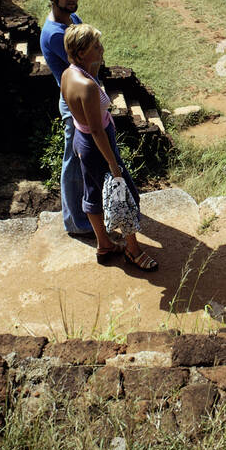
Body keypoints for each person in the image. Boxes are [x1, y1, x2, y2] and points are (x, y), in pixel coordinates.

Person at [61, 23, 159, 271]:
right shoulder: (88, 86)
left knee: (93, 193)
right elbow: (96, 130)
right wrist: (114, 165)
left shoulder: (68, 75)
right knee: (125, 195)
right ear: (81, 53)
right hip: (98, 145)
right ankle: (133, 250)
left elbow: (80, 121)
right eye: (96, 46)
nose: (102, 49)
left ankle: (103, 244)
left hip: (81, 143)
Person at [39, 0, 94, 236]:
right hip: (73, 102)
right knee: (73, 161)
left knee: (85, 159)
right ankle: (75, 222)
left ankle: (90, 211)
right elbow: (89, 61)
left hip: (81, 96)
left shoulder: (71, 19)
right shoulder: (55, 34)